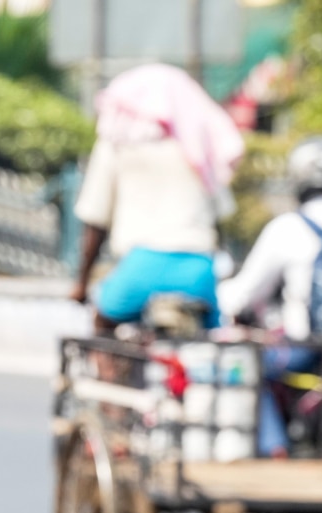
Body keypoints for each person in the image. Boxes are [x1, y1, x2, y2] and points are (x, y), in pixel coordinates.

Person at [70, 64, 244, 333]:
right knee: (208, 344)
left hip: (140, 267)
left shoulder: (118, 138)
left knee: (103, 320)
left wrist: (81, 284)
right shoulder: (196, 144)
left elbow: (95, 218)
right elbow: (222, 215)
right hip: (199, 270)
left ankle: (106, 374)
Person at [217, 136, 322, 457]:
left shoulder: (289, 227)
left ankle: (275, 449)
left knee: (246, 365)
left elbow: (240, 296)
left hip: (307, 348)